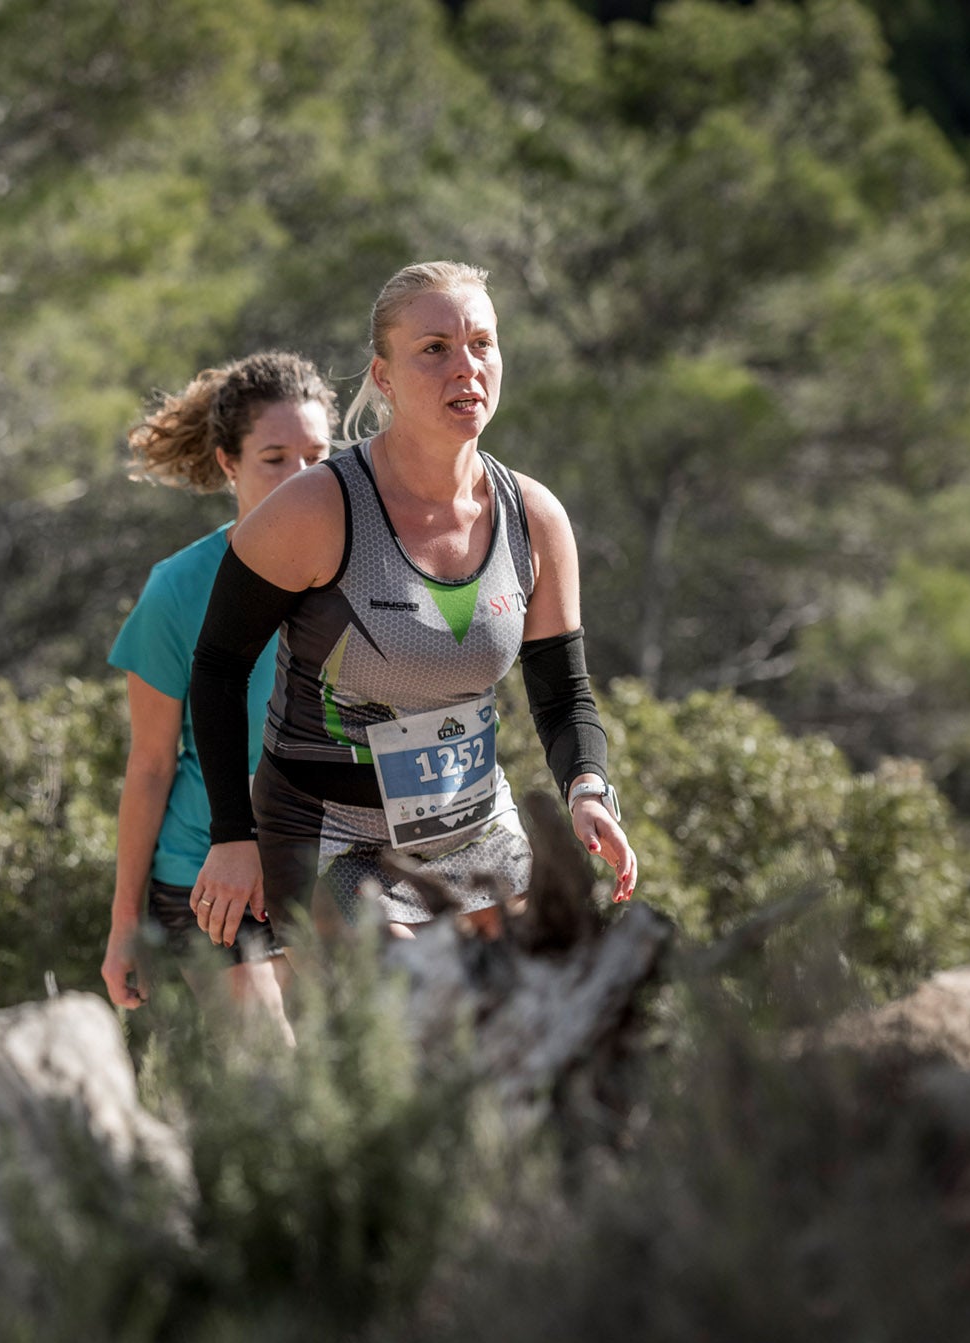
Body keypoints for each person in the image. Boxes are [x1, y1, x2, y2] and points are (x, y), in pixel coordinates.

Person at [187, 262, 639, 951]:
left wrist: (587, 787)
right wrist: (230, 836)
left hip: (477, 825)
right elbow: (219, 665)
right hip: (332, 835)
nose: (466, 367)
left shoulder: (534, 517)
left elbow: (563, 691)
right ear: (385, 376)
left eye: (482, 344)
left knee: (542, 983)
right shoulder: (316, 509)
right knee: (410, 997)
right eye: (435, 349)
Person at [99, 352, 335, 1039]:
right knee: (271, 1072)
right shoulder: (177, 590)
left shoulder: (363, 573)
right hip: (210, 875)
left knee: (345, 1072)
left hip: (330, 872)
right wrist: (123, 927)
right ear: (228, 463)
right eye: (274, 457)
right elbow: (149, 766)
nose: (301, 477)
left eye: (317, 455)